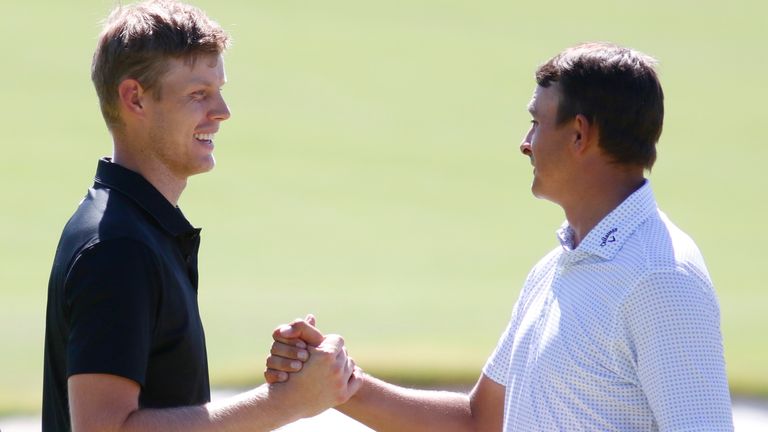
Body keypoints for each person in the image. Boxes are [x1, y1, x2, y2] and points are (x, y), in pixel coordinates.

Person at [267, 42, 734, 431]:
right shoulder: (558, 267)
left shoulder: (661, 279)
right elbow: (479, 421)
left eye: (536, 120)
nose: (525, 142)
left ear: (578, 136)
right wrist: (338, 383)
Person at [42, 1, 360, 431]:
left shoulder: (135, 229)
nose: (222, 111)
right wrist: (285, 404)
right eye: (198, 94)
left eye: (220, 89)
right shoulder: (119, 249)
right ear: (135, 98)